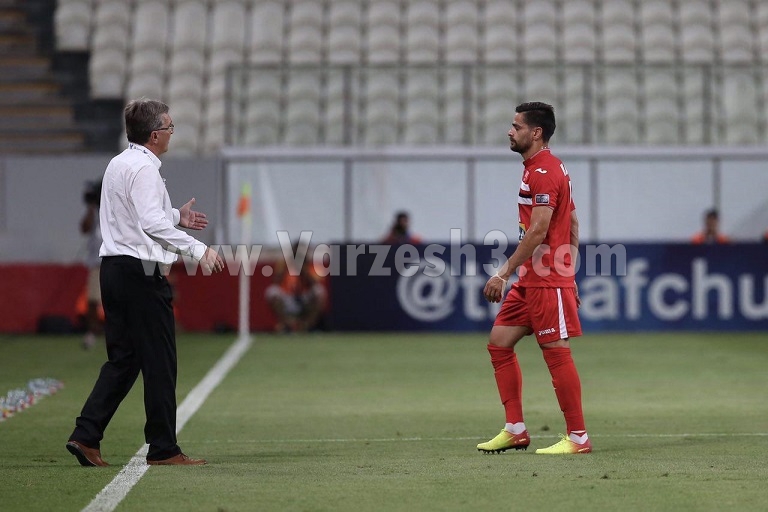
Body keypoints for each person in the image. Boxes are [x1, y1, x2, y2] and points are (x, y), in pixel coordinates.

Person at [66, 98, 224, 467]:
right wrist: (198, 249)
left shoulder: (118, 163)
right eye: (169, 127)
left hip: (113, 269)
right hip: (141, 273)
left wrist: (176, 216)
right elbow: (151, 225)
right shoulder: (146, 169)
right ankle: (163, 448)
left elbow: (137, 214)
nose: (171, 133)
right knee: (160, 360)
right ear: (154, 135)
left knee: (123, 359)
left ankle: (86, 435)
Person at [477, 102, 591, 455]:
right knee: (499, 343)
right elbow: (572, 222)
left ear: (536, 132)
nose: (510, 132)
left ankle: (578, 437)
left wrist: (503, 272)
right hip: (533, 279)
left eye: (516, 126)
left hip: (546, 278)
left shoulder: (544, 171)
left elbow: (539, 230)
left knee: (556, 352)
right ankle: (515, 429)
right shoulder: (540, 168)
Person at [266, 243, 327, 333]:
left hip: (305, 298)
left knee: (319, 291)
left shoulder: (312, 265)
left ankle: (307, 326)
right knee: (272, 292)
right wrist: (288, 264)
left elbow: (315, 283)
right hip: (289, 298)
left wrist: (303, 268)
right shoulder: (284, 263)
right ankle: (287, 325)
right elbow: (275, 281)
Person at [80, 179, 103, 349]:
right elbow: (84, 228)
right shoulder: (94, 212)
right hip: (97, 262)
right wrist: (91, 207)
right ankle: (92, 332)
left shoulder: (115, 209)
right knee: (93, 300)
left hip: (115, 259)